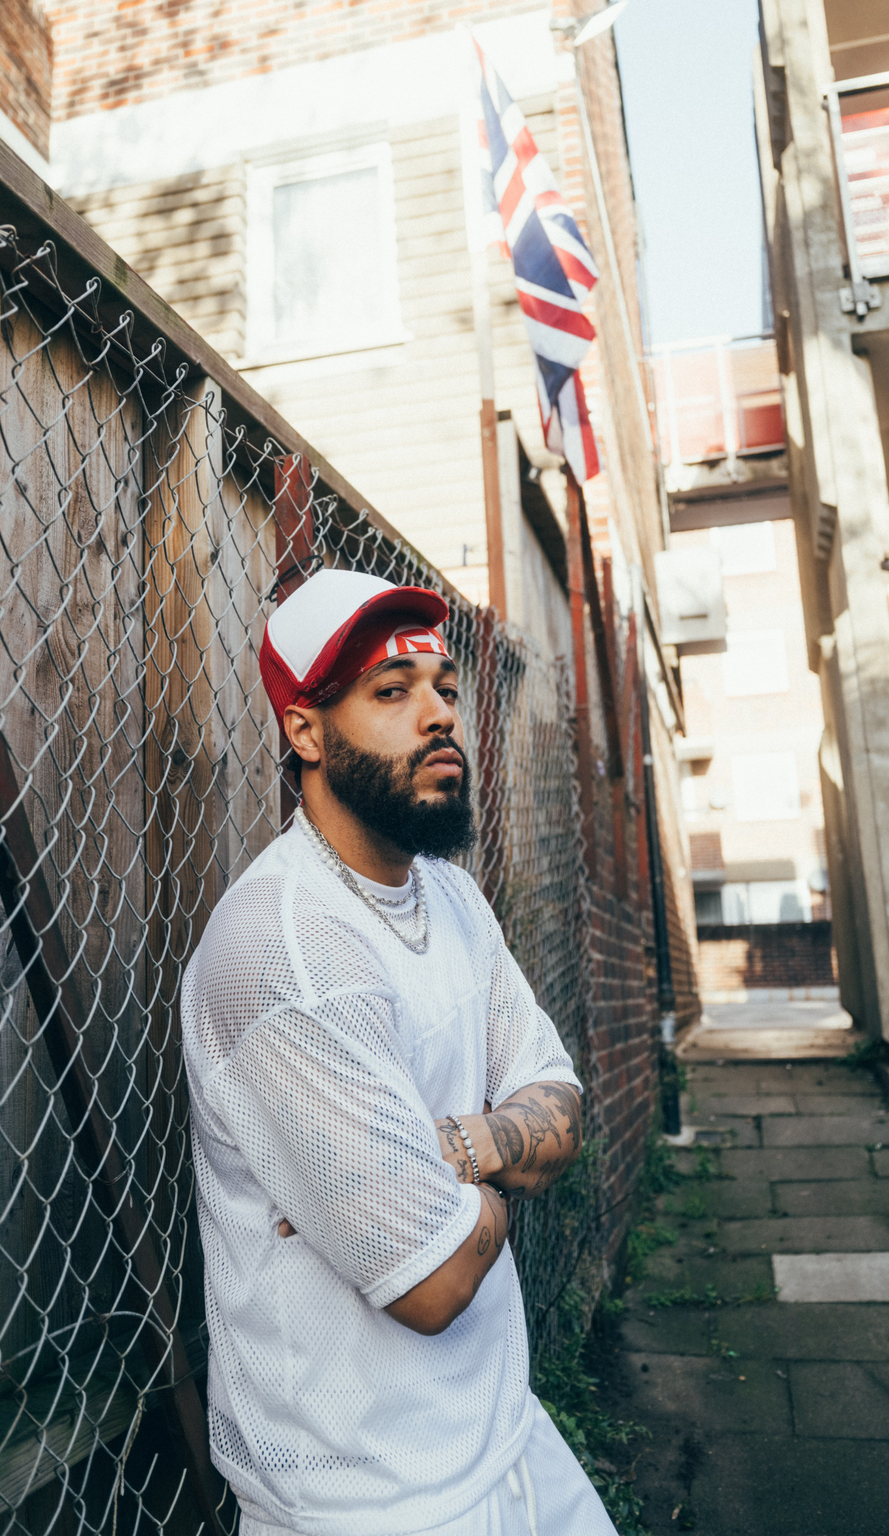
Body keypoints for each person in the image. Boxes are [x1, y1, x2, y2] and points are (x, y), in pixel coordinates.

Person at [182, 568, 616, 1536]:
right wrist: (510, 1154)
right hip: (367, 1498)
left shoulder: (451, 896)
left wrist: (441, 1155)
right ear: (304, 732)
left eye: (445, 691)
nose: (439, 718)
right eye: (392, 692)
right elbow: (433, 1285)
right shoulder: (287, 951)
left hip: (504, 1435)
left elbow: (565, 1112)